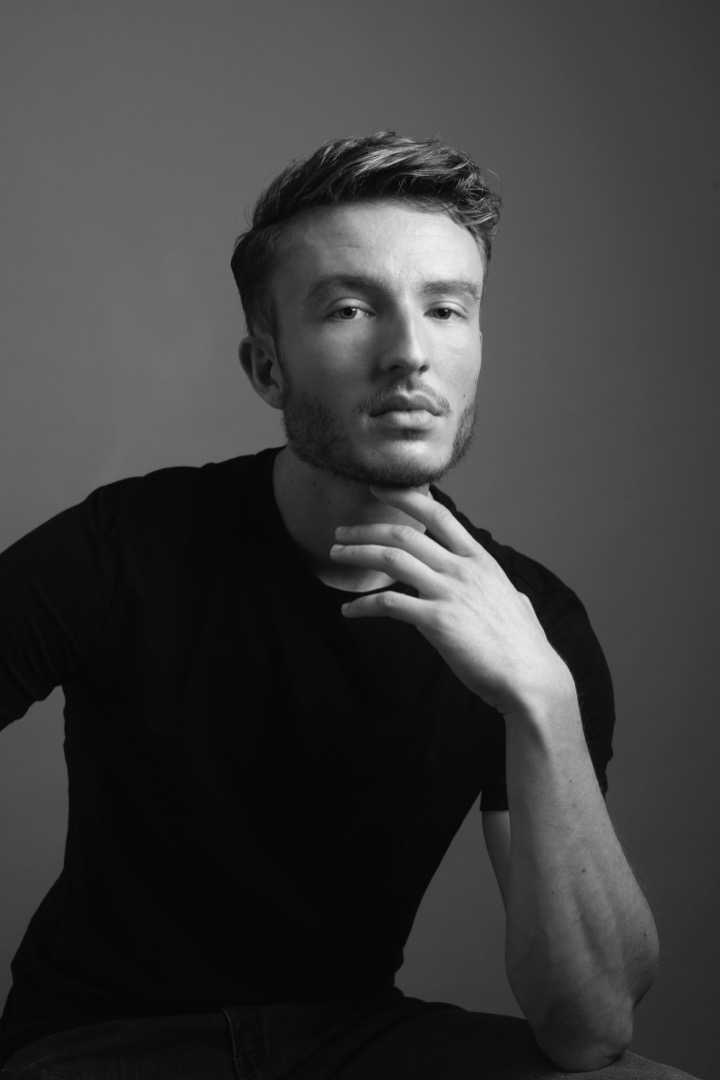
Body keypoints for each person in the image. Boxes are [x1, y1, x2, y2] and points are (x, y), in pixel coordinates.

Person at [0, 132, 700, 1079]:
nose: (409, 354)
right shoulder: (122, 546)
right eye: (349, 309)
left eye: (446, 309)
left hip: (350, 1041)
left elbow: (589, 1027)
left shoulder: (532, 622)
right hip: (102, 1044)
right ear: (267, 368)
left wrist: (541, 701)